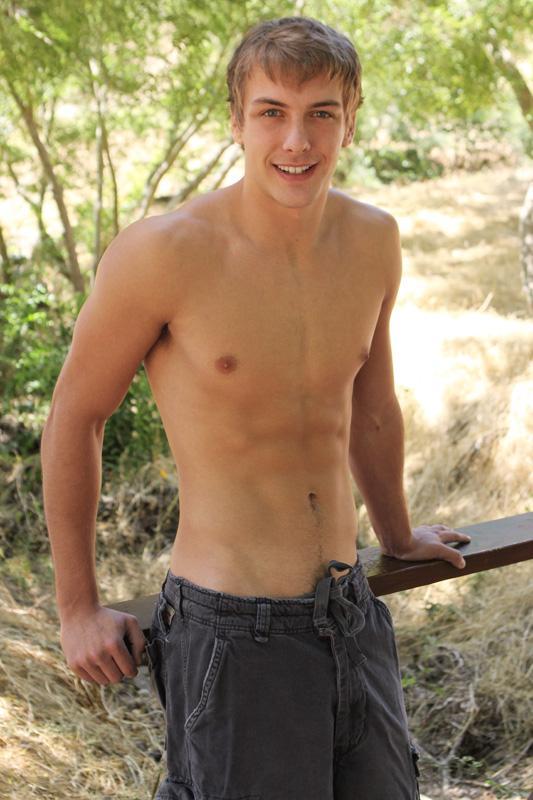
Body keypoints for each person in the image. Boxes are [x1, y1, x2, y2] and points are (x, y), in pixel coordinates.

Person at [41, 16, 471, 800]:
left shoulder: (373, 239)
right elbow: (76, 417)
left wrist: (398, 534)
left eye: (320, 114)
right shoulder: (163, 252)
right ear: (236, 121)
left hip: (350, 611)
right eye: (272, 112)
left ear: (350, 119)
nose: (296, 141)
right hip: (232, 630)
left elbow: (371, 407)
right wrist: (78, 609)